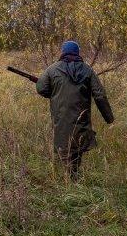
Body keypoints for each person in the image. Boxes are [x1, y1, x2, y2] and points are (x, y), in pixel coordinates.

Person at [36, 40, 114, 177]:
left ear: (63, 52)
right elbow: (99, 95)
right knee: (77, 146)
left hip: (61, 119)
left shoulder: (52, 69)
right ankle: (73, 176)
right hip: (81, 119)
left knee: (65, 147)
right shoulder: (87, 70)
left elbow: (42, 88)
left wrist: (55, 92)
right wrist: (109, 118)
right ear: (78, 52)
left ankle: (70, 178)